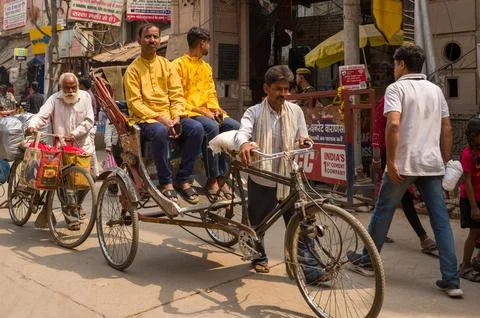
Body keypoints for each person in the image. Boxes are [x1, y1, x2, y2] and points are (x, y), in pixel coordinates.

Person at [347, 45, 462, 298]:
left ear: (400, 64)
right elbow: (447, 128)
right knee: (440, 220)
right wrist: (444, 156)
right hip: (431, 164)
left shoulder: (396, 89)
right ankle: (451, 279)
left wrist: (391, 161)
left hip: (404, 163)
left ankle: (368, 260)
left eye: (395, 63)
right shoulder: (436, 91)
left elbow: (394, 124)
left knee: (382, 212)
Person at [234, 65, 323, 283]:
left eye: (286, 89)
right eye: (278, 89)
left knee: (301, 223)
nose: (283, 94)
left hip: (288, 176)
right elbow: (242, 133)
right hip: (262, 175)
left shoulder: (296, 111)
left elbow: (303, 135)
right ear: (266, 88)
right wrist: (245, 144)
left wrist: (305, 140)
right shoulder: (253, 112)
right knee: (258, 223)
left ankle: (310, 268)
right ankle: (259, 256)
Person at [124, 23, 204, 204]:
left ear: (159, 40)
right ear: (139, 40)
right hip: (146, 119)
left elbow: (177, 95)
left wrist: (175, 117)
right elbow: (135, 104)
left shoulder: (167, 66)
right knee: (160, 132)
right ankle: (166, 182)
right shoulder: (132, 70)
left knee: (197, 128)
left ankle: (183, 178)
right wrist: (162, 120)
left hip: (170, 115)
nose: (152, 40)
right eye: (147, 37)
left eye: (155, 37)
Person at [173, 27, 240, 202]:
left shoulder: (206, 67)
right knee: (211, 127)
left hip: (207, 111)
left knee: (233, 126)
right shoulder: (177, 65)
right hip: (188, 112)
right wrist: (201, 111)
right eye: (207, 42)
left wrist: (216, 109)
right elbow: (177, 97)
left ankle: (222, 176)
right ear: (202, 43)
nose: (208, 46)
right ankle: (212, 179)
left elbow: (211, 93)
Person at [27, 72, 95, 231]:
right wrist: (33, 126)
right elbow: (42, 115)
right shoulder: (54, 99)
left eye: (73, 87)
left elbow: (89, 120)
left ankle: (76, 205)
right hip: (62, 147)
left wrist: (75, 133)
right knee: (66, 184)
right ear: (61, 88)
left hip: (83, 146)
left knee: (90, 178)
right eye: (67, 88)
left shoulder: (85, 97)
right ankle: (71, 217)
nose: (71, 91)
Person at [372, 95, 437, 251]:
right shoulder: (389, 99)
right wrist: (378, 157)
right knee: (401, 197)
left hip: (407, 152)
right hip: (392, 153)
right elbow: (381, 127)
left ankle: (376, 236)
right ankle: (423, 237)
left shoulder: (412, 99)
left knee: (391, 198)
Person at [458, 117, 480, 282]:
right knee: (473, 233)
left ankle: (477, 261)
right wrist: (473, 207)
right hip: (472, 200)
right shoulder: (467, 154)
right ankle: (465, 266)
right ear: (472, 136)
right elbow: (468, 181)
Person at [79, 77, 99, 177]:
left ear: (82, 85)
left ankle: (95, 173)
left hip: (90, 126)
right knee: (91, 149)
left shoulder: (87, 96)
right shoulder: (89, 94)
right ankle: (93, 172)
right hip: (91, 125)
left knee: (91, 150)